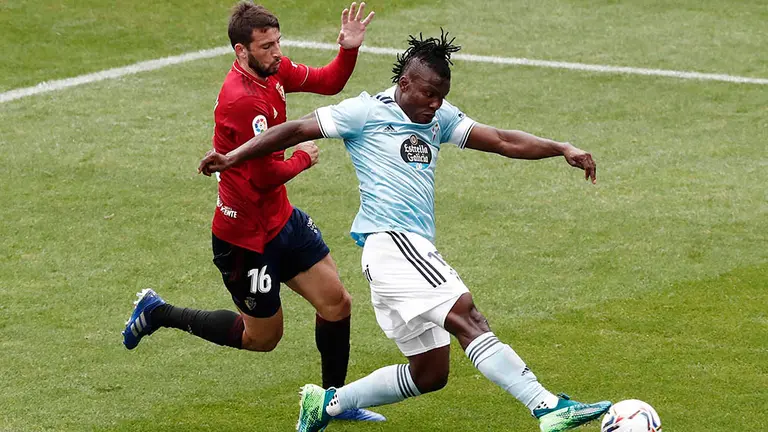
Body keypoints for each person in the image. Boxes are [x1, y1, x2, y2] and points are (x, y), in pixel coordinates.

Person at [198, 30, 610, 432]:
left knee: (431, 372)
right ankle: (547, 406)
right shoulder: (365, 112)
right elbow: (293, 130)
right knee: (468, 316)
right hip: (392, 244)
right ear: (405, 82)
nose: (436, 104)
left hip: (401, 254)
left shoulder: (438, 118)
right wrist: (232, 157)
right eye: (429, 94)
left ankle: (326, 403)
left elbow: (502, 140)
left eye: (441, 97)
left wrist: (561, 148)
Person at [122, 1, 385, 423]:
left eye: (278, 42)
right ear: (241, 52)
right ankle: (158, 311)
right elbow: (263, 176)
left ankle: (331, 404)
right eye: (266, 46)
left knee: (337, 303)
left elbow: (329, 81)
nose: (277, 52)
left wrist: (348, 49)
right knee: (263, 338)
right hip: (243, 237)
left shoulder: (274, 71)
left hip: (281, 220)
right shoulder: (241, 101)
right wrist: (303, 158)